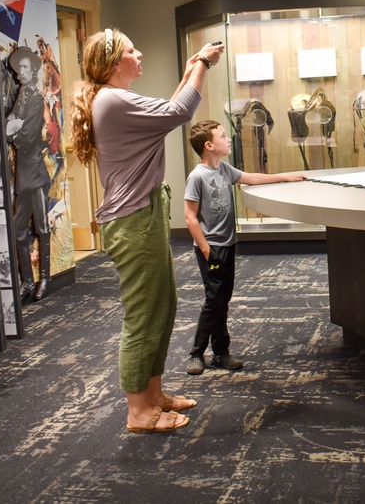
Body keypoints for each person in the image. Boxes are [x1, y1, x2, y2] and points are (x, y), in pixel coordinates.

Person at [71, 28, 223, 433]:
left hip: (145, 212)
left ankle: (153, 394)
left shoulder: (114, 99)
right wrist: (203, 64)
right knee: (143, 314)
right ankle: (138, 410)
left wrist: (193, 69)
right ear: (112, 64)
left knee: (163, 305)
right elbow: (180, 113)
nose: (139, 53)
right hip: (133, 220)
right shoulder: (113, 100)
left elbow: (171, 108)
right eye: (130, 50)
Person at [184, 120, 306, 376]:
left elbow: (251, 177)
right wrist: (207, 250)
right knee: (213, 300)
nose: (228, 139)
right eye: (223, 136)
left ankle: (220, 353)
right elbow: (190, 217)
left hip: (227, 245)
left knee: (223, 300)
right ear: (209, 145)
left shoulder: (224, 170)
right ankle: (196, 353)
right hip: (211, 248)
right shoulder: (197, 176)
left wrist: (286, 177)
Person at [6, 48, 52, 302]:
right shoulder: (23, 95)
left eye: (24, 68)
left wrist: (14, 130)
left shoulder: (36, 97)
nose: (19, 72)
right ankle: (27, 280)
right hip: (24, 173)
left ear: (32, 70)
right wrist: (14, 127)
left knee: (42, 226)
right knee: (17, 229)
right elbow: (9, 121)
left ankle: (45, 278)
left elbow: (28, 135)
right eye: (18, 68)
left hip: (35, 172)